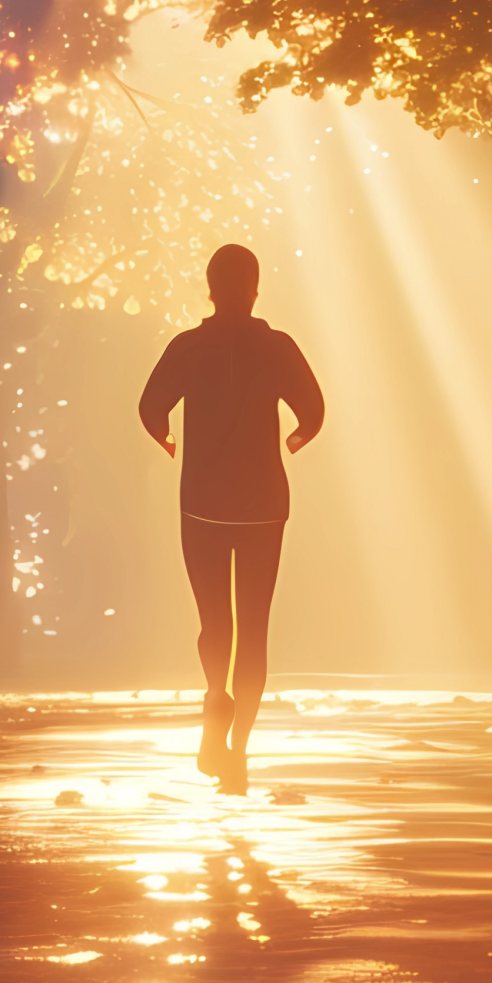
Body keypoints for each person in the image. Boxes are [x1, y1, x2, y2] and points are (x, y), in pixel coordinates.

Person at [139, 244, 324, 793]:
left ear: (211, 288)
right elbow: (312, 410)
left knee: (216, 623)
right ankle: (238, 752)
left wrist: (170, 442)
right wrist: (291, 440)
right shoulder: (277, 348)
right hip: (265, 506)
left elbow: (151, 406)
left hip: (203, 505)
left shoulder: (189, 347)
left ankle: (214, 698)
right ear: (256, 288)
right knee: (256, 630)